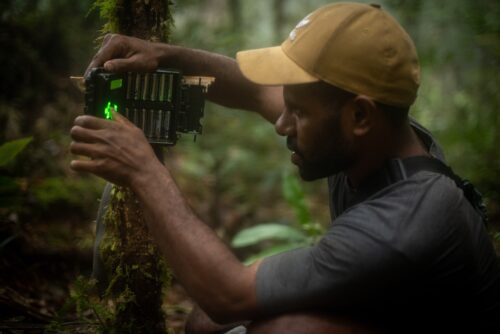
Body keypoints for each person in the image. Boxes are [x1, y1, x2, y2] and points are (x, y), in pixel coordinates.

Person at [70, 3, 500, 333]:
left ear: (360, 117)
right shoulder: (377, 136)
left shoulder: (406, 221)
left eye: (298, 113)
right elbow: (258, 92)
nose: (281, 123)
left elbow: (229, 294)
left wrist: (142, 170)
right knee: (203, 325)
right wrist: (167, 56)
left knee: (283, 330)